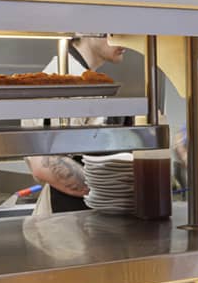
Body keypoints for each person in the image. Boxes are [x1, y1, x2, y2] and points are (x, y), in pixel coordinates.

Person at [25, 34, 126, 214]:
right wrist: (116, 194)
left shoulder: (85, 77)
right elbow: (44, 163)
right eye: (114, 29)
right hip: (64, 225)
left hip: (78, 218)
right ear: (83, 30)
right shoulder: (68, 76)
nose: (125, 39)